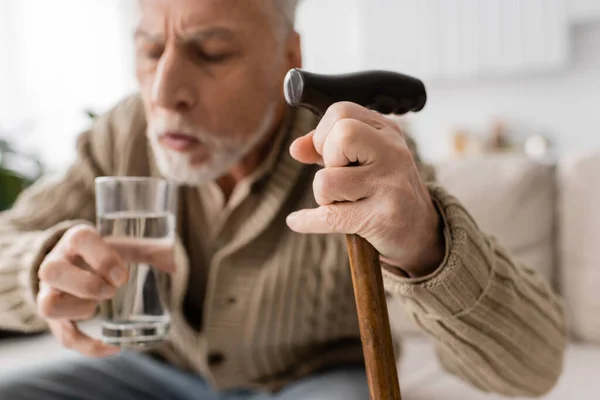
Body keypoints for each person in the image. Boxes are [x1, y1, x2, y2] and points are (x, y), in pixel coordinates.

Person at [0, 0, 565, 399]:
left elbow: (534, 369)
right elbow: (9, 243)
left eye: (212, 52)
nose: (163, 92)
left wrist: (424, 242)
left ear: (285, 55)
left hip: (312, 380)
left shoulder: (354, 153)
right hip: (152, 375)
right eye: (150, 50)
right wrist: (38, 267)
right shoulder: (123, 134)